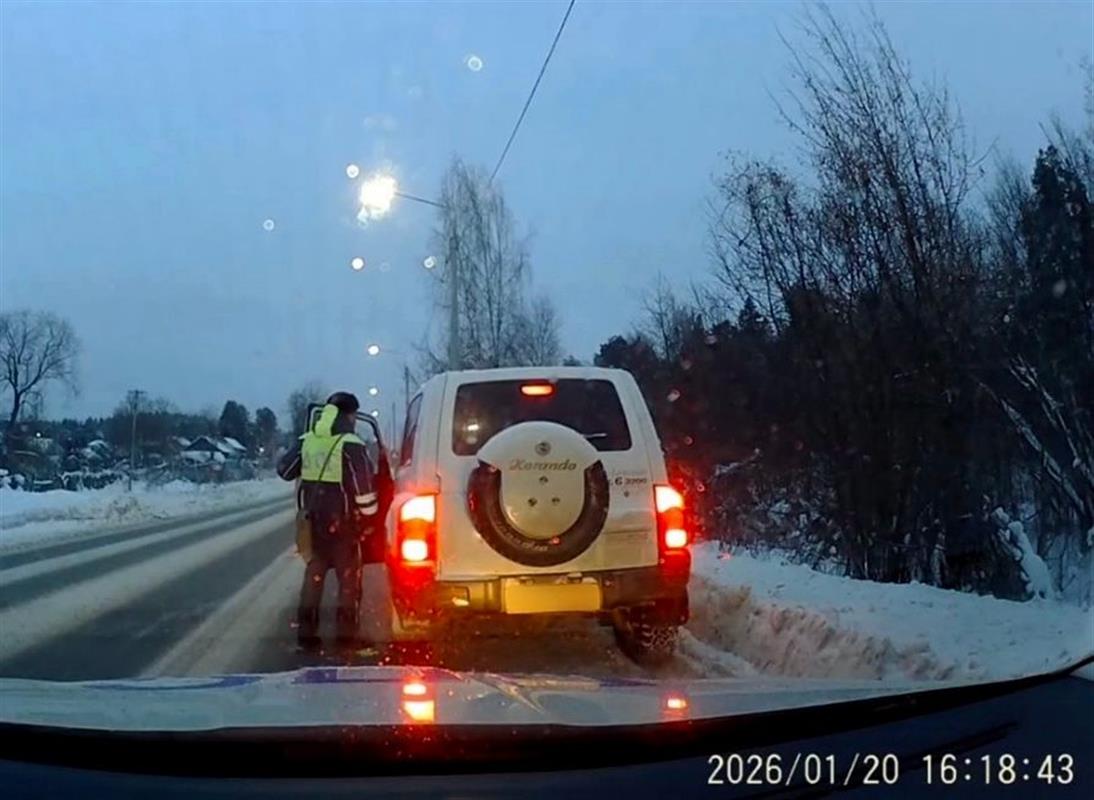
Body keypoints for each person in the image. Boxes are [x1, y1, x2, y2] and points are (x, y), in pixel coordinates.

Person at [277, 391, 378, 650]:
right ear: (350, 415)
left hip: (314, 524)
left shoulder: (307, 441)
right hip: (343, 525)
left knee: (314, 576)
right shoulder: (351, 444)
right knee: (348, 581)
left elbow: (284, 470)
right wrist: (369, 518)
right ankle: (346, 639)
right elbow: (363, 488)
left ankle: (307, 638)